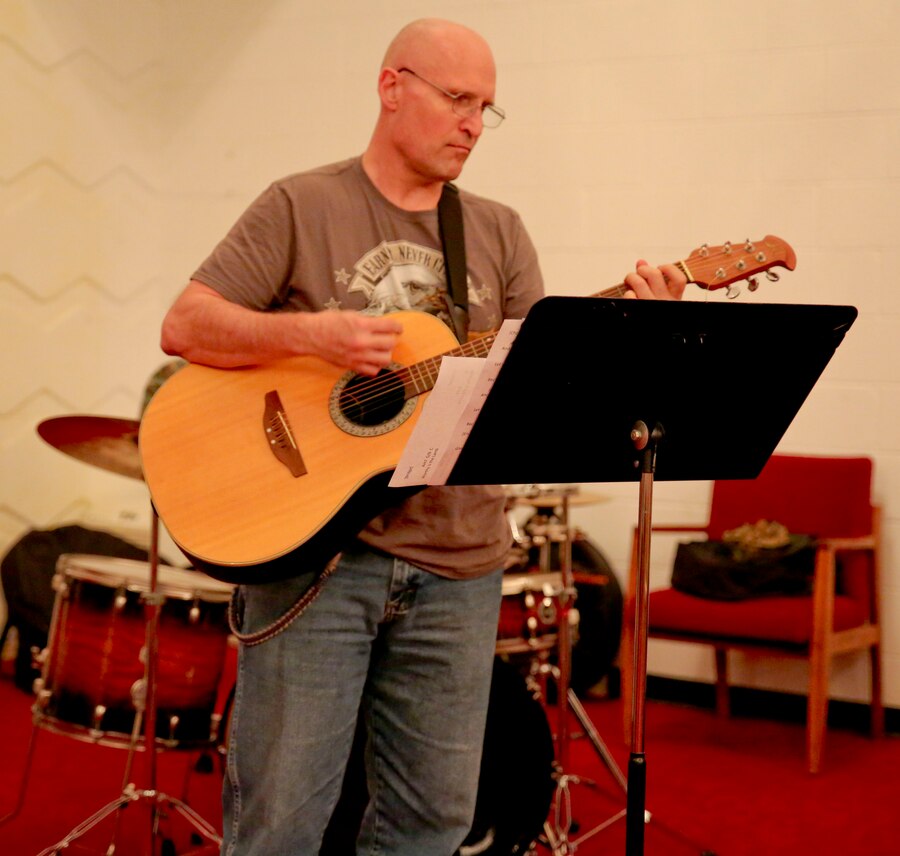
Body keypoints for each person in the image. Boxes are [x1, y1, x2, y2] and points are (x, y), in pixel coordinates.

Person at [160, 17, 686, 856]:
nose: (475, 123)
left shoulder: (498, 230)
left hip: (462, 561)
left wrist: (632, 332)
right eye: (458, 99)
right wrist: (311, 336)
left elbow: (543, 387)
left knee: (434, 821)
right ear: (391, 86)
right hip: (320, 560)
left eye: (487, 108)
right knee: (280, 822)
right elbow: (186, 325)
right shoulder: (302, 203)